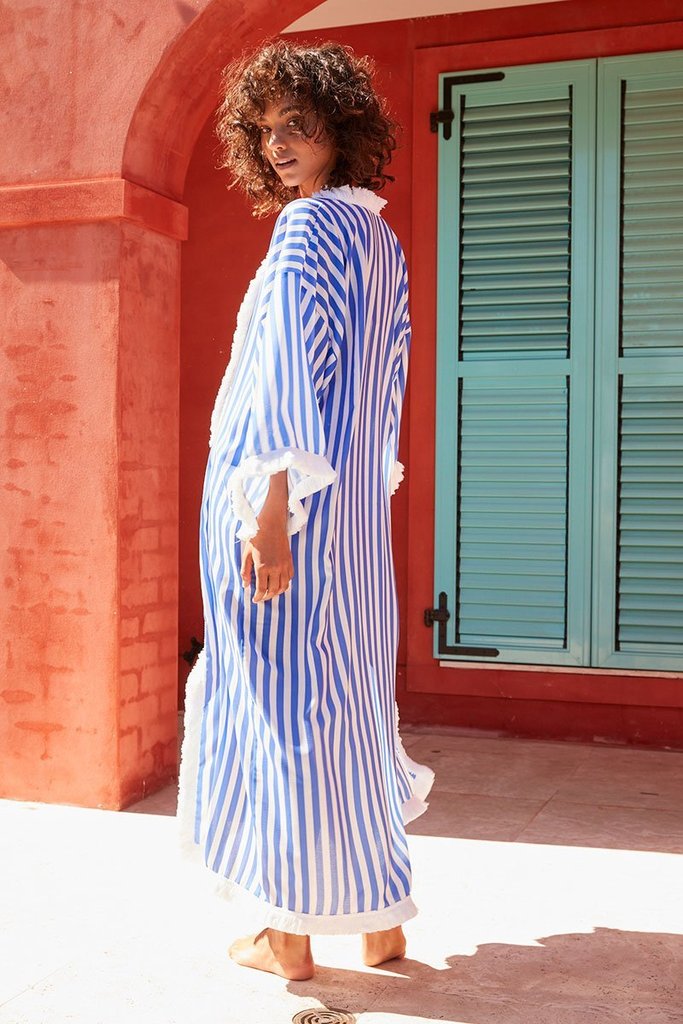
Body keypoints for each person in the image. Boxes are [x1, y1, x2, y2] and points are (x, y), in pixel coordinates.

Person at [177, 38, 434, 982]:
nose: (278, 143)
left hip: (289, 517)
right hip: (352, 524)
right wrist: (353, 490)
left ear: (340, 127)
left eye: (298, 123)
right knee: (349, 712)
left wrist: (268, 513)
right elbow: (383, 387)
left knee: (283, 713)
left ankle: (284, 936)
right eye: (265, 129)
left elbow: (284, 378)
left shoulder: (304, 230)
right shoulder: (379, 240)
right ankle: (377, 925)